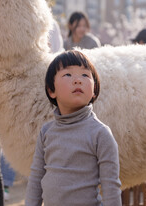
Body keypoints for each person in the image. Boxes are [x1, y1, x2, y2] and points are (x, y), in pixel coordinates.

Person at [25, 50, 122, 206]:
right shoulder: (46, 131)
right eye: (68, 75)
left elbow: (111, 187)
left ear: (94, 90)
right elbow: (36, 178)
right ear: (51, 90)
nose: (78, 80)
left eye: (85, 75)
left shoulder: (100, 133)